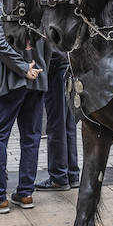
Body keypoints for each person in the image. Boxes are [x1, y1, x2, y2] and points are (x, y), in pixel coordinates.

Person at [0, 0, 49, 214]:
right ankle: (25, 193)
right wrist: (38, 69)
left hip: (10, 79)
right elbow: (48, 41)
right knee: (30, 138)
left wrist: (24, 68)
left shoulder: (0, 4)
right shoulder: (39, 3)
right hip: (37, 78)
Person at [38, 47, 79, 190]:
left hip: (56, 65)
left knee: (57, 124)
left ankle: (59, 176)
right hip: (68, 63)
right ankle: (72, 174)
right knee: (68, 124)